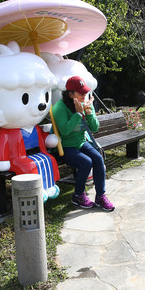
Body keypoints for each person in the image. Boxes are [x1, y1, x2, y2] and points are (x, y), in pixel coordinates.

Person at [52, 76, 115, 211]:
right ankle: (78, 195)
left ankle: (100, 196)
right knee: (86, 162)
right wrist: (79, 114)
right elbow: (64, 131)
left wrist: (89, 113)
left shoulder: (86, 103)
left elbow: (95, 128)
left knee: (97, 158)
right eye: (81, 93)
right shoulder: (60, 107)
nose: (84, 95)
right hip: (65, 147)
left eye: (85, 92)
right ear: (70, 94)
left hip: (81, 143)